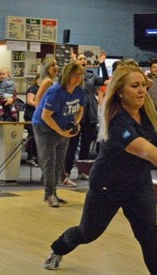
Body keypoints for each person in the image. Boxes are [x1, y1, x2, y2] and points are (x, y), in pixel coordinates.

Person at [43, 63, 157, 275]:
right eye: (134, 86)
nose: (141, 90)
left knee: (150, 236)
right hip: (107, 185)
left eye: (143, 85)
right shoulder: (115, 119)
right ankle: (58, 248)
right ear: (120, 91)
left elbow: (152, 139)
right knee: (88, 232)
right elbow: (142, 147)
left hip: (138, 184)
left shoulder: (144, 113)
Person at [32, 62, 85, 207]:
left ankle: (53, 192)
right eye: (75, 75)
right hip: (44, 126)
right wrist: (61, 131)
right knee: (49, 160)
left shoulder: (79, 91)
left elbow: (80, 109)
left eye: (80, 75)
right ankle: (49, 194)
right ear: (67, 75)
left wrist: (75, 123)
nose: (78, 78)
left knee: (59, 162)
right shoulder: (56, 91)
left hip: (62, 126)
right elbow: (45, 116)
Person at [64, 53, 104, 181]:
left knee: (86, 145)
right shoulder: (72, 77)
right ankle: (66, 172)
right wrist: (73, 65)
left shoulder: (92, 76)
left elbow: (104, 80)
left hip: (90, 114)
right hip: (76, 114)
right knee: (72, 145)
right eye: (80, 59)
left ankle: (82, 171)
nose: (83, 61)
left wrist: (102, 63)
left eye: (84, 59)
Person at [23, 74, 40, 167]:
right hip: (31, 115)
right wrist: (41, 107)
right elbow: (29, 101)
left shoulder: (44, 89)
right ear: (37, 80)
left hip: (38, 116)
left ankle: (37, 157)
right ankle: (30, 158)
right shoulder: (33, 88)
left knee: (38, 137)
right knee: (32, 136)